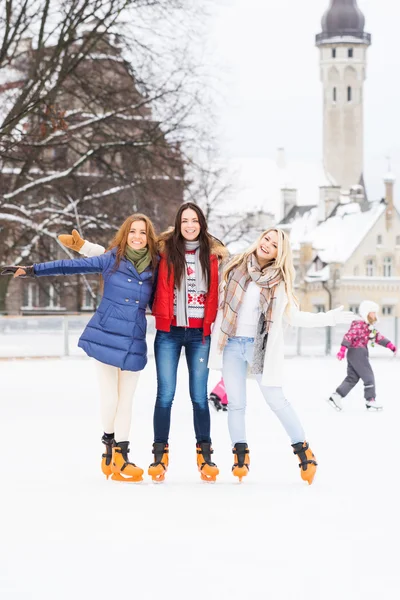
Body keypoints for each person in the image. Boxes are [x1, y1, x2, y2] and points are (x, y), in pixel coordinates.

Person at [58, 203, 228, 483]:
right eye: (184, 220)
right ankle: (156, 455)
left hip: (200, 334)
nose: (189, 225)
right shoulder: (164, 252)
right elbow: (118, 256)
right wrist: (84, 246)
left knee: (199, 397)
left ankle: (205, 456)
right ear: (177, 223)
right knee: (164, 395)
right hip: (168, 332)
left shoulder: (213, 257)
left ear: (202, 224)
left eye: (194, 220)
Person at [1, 214, 158, 482]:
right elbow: (69, 267)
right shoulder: (112, 259)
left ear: (149, 237)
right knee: (111, 399)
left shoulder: (156, 266)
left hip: (134, 339)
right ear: (125, 234)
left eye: (143, 232)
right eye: (133, 231)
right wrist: (32, 269)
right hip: (105, 335)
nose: (138, 237)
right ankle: (111, 449)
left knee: (127, 401)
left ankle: (119, 457)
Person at [208, 228, 354, 484]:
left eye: (274, 244)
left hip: (259, 347)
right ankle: (240, 457)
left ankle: (303, 451)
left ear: (279, 253)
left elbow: (295, 317)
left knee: (276, 400)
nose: (267, 245)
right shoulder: (235, 267)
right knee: (236, 404)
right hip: (230, 344)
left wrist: (328, 317)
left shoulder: (280, 282)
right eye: (266, 238)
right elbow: (217, 303)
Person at [328, 300, 396, 412]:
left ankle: (337, 395)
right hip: (357, 352)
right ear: (366, 313)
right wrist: (342, 349)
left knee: (352, 378)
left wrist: (389, 345)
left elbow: (377, 337)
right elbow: (349, 336)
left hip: (355, 353)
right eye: (372, 312)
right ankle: (371, 400)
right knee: (368, 376)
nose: (375, 315)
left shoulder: (367, 326)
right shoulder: (359, 324)